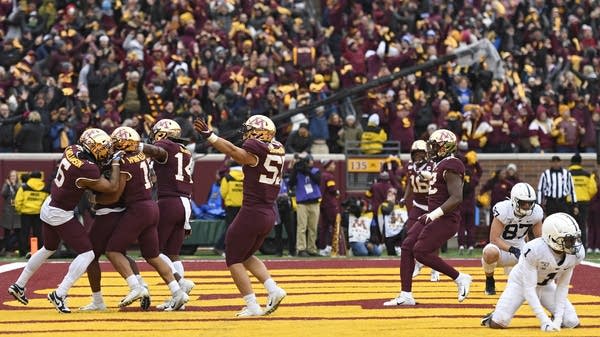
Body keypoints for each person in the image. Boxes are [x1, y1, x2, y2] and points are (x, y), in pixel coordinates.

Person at [8, 128, 122, 313]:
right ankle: (60, 293)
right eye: (104, 148)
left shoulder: (72, 149)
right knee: (88, 254)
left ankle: (19, 285)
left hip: (49, 204)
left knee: (48, 248)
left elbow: (88, 168)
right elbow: (111, 187)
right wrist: (115, 163)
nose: (106, 151)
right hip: (60, 212)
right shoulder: (88, 168)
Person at [193, 115, 287, 317]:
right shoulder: (277, 147)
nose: (245, 134)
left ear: (258, 133)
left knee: (233, 257)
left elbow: (233, 151)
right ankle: (274, 289)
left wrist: (210, 136)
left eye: (249, 130)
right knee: (245, 255)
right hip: (269, 212)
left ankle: (252, 305)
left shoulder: (256, 151)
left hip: (252, 212)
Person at [98, 126, 189, 311]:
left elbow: (117, 192)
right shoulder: (142, 157)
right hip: (152, 206)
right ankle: (178, 291)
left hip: (138, 209)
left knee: (113, 250)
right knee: (152, 255)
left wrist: (98, 198)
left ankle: (135, 287)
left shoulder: (123, 161)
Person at [384, 129, 472, 306]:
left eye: (433, 146)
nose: (429, 150)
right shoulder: (441, 165)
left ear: (444, 147)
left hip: (445, 219)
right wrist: (429, 176)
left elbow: (456, 197)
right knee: (407, 246)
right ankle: (406, 294)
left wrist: (432, 215)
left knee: (421, 251)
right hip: (433, 216)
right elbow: (440, 184)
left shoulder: (452, 165)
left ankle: (460, 278)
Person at [481, 213, 584, 331]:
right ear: (552, 237)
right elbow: (529, 289)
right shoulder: (534, 249)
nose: (574, 244)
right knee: (499, 322)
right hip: (521, 284)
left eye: (574, 239)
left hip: (546, 286)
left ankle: (555, 315)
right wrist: (544, 321)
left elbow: (563, 286)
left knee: (571, 321)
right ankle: (493, 316)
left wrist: (557, 320)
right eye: (568, 240)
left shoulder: (576, 254)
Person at [481, 183, 543, 296]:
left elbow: (540, 239)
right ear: (514, 200)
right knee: (489, 252)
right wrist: (513, 250)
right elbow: (494, 239)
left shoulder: (536, 212)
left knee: (540, 255)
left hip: (520, 245)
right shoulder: (504, 209)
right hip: (501, 247)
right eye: (523, 202)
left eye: (529, 203)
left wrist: (532, 251)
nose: (527, 206)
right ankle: (489, 280)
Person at [289, 153, 321, 257]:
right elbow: (291, 183)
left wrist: (307, 171)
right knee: (302, 227)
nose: (310, 162)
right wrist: (295, 170)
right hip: (302, 203)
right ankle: (301, 248)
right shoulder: (298, 172)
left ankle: (312, 248)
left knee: (313, 227)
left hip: (314, 202)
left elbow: (318, 180)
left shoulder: (315, 171)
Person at [14, 171, 49, 257]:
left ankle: (23, 252)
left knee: (24, 233)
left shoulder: (24, 187)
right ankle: (39, 252)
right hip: (38, 213)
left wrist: (19, 210)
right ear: (40, 177)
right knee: (38, 233)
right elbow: (47, 201)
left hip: (25, 213)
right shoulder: (45, 188)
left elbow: (18, 201)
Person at [568, 154, 597, 251]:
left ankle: (570, 247)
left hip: (570, 203)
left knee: (570, 225)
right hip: (584, 202)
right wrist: (586, 196)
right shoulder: (587, 175)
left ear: (571, 162)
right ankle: (583, 248)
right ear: (581, 163)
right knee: (582, 226)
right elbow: (593, 189)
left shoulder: (567, 174)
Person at [215, 160, 244, 256]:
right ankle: (235, 249)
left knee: (229, 228)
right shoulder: (246, 177)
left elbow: (223, 193)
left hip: (231, 206)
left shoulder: (227, 177)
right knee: (240, 229)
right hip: (243, 207)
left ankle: (219, 247)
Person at [317, 159, 344, 256]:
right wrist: (337, 192)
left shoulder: (322, 175)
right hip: (331, 205)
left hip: (323, 205)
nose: (334, 166)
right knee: (336, 226)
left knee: (324, 227)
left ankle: (323, 248)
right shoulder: (329, 176)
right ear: (328, 165)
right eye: (333, 164)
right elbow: (332, 190)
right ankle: (338, 249)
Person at [1, 170, 21, 255]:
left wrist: (13, 185)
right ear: (9, 177)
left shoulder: (19, 184)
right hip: (8, 212)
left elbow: (19, 192)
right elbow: (3, 194)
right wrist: (8, 185)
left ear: (17, 177)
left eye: (14, 176)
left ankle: (16, 249)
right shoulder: (6, 184)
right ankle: (7, 250)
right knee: (7, 232)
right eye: (11, 176)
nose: (13, 177)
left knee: (18, 232)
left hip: (16, 212)